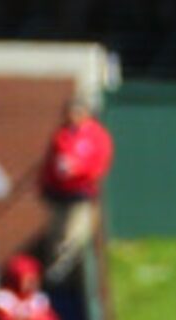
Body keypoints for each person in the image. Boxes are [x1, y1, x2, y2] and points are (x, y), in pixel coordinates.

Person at [35, 95, 115, 281]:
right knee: (56, 233)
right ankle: (54, 270)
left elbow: (99, 165)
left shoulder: (96, 135)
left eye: (75, 112)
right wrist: (46, 182)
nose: (71, 116)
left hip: (82, 192)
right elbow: (51, 161)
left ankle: (63, 271)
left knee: (74, 234)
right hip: (59, 192)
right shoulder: (62, 134)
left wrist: (77, 170)